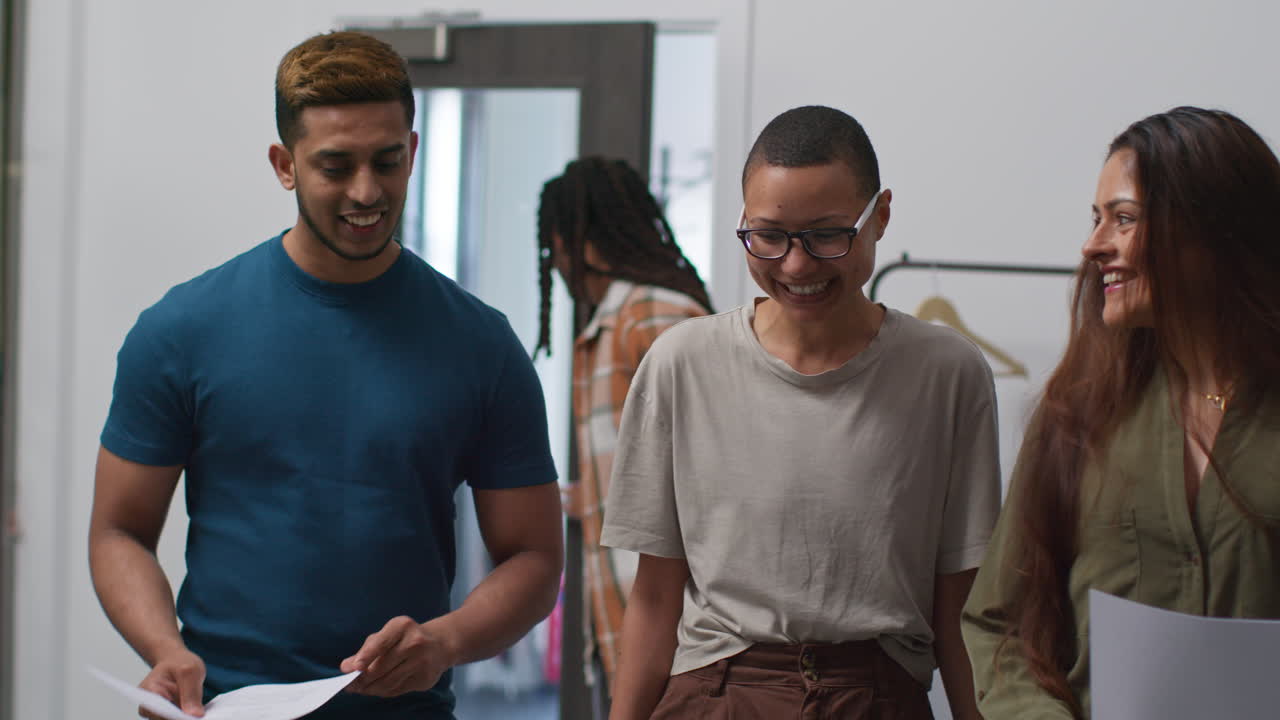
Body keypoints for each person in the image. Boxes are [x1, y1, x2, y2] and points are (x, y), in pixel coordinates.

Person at [87, 31, 563, 720]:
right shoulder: (182, 330)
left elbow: (534, 557)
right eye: (335, 166)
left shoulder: (481, 344)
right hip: (224, 706)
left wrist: (443, 642)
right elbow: (118, 531)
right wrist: (165, 648)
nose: (366, 192)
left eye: (387, 161)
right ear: (284, 164)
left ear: (414, 152)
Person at [601, 105, 1000, 720]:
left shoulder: (947, 373)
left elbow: (960, 604)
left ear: (881, 216)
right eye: (768, 235)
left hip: (877, 694)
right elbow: (654, 598)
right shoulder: (682, 363)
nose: (795, 265)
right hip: (717, 693)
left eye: (826, 235)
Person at [961, 106, 1280, 719]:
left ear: (1209, 231)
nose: (1092, 245)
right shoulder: (1073, 417)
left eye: (1124, 219)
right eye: (1096, 219)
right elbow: (998, 624)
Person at [534, 156, 712, 706]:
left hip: (681, 648)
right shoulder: (607, 328)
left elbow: (706, 483)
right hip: (631, 639)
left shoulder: (654, 317)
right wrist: (583, 499)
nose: (556, 262)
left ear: (579, 238)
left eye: (555, 242)